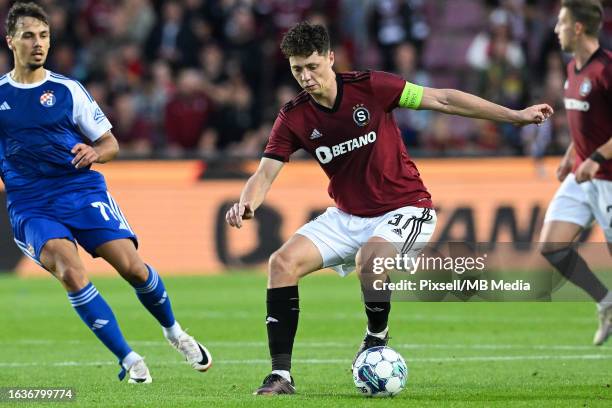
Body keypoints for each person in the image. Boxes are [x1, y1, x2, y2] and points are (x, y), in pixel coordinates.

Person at [225, 21, 553, 395]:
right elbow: (265, 174)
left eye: (313, 66)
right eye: (297, 69)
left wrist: (515, 115)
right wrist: (246, 203)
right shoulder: (294, 116)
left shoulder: (372, 87)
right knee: (280, 264)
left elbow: (443, 99)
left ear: (331, 58)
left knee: (371, 257)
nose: (306, 76)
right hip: (348, 216)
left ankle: (375, 339)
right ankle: (281, 376)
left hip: (406, 207)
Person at [0, 2, 211, 383]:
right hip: (32, 204)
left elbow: (110, 144)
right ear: (10, 39)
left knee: (132, 268)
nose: (38, 43)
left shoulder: (68, 91)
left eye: (44, 36)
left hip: (80, 190)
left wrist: (94, 152)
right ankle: (129, 358)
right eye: (29, 35)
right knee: (70, 272)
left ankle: (175, 332)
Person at [539, 0, 612, 346]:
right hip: (582, 175)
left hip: (608, 178)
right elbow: (588, 122)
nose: (557, 29)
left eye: (562, 23)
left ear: (578, 28)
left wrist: (596, 156)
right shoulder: (573, 70)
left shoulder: (607, 70)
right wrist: (572, 154)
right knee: (552, 246)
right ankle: (607, 302)